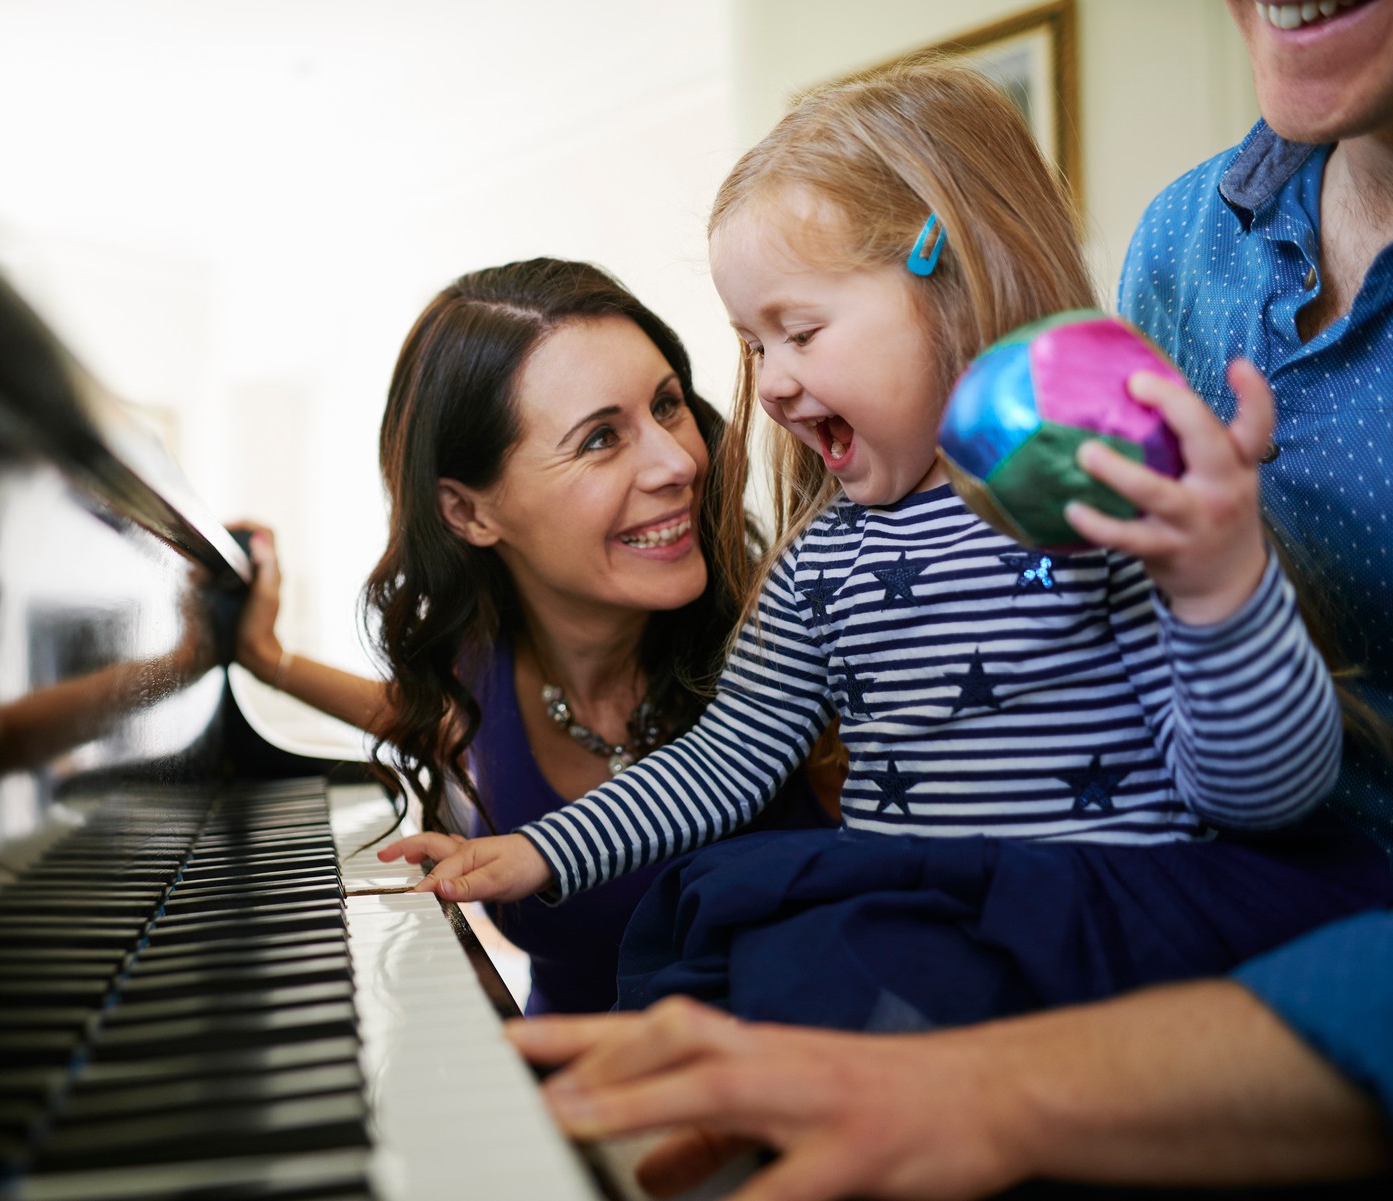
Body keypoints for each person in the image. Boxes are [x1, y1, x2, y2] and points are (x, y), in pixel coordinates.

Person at [503, 2, 1393, 1196]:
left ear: (948, 268)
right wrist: (531, 854)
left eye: (799, 330)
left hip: (1113, 932)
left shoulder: (1098, 502)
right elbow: (726, 762)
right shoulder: (824, 564)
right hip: (922, 912)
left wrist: (1218, 586)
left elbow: (1264, 793)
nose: (766, 386)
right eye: (750, 344)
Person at [229, 257, 831, 1015]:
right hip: (561, 1097)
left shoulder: (801, 646)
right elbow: (416, 716)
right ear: (471, 513)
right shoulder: (476, 680)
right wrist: (266, 659)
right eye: (599, 439)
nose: (679, 461)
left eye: (667, 404)